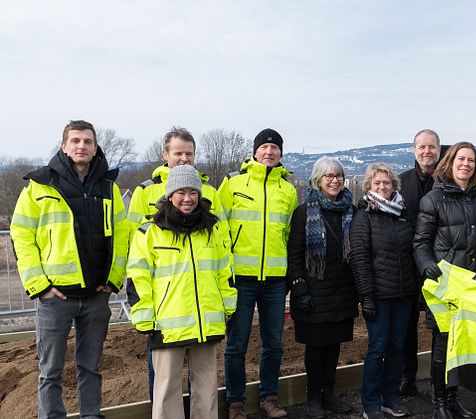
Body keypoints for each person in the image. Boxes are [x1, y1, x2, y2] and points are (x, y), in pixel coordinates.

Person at [10, 120, 129, 418]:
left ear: (95, 147)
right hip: (55, 297)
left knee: (91, 366)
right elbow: (21, 236)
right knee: (50, 370)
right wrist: (40, 285)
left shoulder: (108, 187)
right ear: (64, 146)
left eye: (87, 141)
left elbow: (122, 233)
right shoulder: (40, 186)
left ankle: (91, 415)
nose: (81, 146)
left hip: (96, 296)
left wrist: (113, 279)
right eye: (75, 140)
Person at [127, 165, 236, 419]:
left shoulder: (213, 229)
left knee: (207, 387)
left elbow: (224, 271)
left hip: (205, 322)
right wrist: (144, 318)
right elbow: (137, 278)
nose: (187, 198)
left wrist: (227, 307)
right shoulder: (149, 232)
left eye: (193, 192)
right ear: (169, 195)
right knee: (166, 389)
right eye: (181, 192)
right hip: (167, 324)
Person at [413, 141, 476, 419]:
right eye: (460, 159)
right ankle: (439, 403)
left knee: (463, 345)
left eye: (471, 161)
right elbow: (420, 243)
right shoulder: (433, 199)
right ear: (450, 163)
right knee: (442, 345)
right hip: (445, 284)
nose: (466, 164)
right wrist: (427, 265)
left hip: (475, 285)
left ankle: (453, 399)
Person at [220, 128, 298, 419]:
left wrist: (289, 275)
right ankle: (236, 402)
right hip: (241, 279)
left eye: (274, 148)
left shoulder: (287, 190)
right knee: (237, 344)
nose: (269, 152)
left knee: (273, 344)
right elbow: (220, 230)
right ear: (254, 151)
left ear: (280, 153)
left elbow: (289, 234)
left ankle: (269, 397)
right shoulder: (233, 184)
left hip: (275, 281)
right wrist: (225, 271)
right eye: (264, 147)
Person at [286, 157, 357, 419]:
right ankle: (313, 396)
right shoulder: (304, 213)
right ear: (318, 180)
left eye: (338, 176)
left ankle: (329, 392)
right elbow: (294, 255)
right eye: (328, 176)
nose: (334, 180)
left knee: (334, 345)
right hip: (314, 293)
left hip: (342, 291)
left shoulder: (351, 210)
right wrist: (300, 288)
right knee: (316, 348)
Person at [351, 162, 419, 419]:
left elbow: (412, 252)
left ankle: (391, 397)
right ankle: (370, 402)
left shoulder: (403, 213)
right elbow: (360, 259)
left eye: (387, 183)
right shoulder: (364, 216)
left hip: (404, 294)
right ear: (369, 186)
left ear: (394, 186)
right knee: (377, 347)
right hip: (378, 296)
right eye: (377, 183)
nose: (382, 186)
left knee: (397, 347)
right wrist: (366, 296)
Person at [398, 128, 442, 397]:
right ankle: (407, 377)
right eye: (422, 147)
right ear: (414, 150)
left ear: (439, 149)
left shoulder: (448, 180)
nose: (427, 151)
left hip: (440, 265)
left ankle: (443, 382)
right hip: (406, 265)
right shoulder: (400, 182)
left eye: (432, 147)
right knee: (406, 325)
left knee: (439, 324)